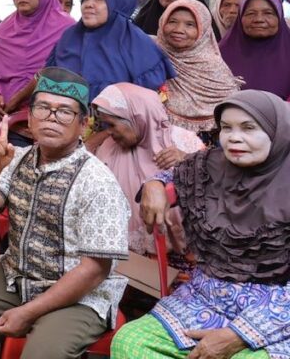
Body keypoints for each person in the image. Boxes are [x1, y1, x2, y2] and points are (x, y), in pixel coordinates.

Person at [0, 66, 130, 359]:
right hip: (18, 275)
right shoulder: (19, 159)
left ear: (83, 123)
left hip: (81, 295)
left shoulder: (98, 182)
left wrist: (28, 311)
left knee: (41, 354)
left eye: (64, 112)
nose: (51, 118)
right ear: (30, 115)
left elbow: (94, 271)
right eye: (43, 108)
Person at [113, 90, 290, 359]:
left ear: (277, 132)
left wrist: (240, 334)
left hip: (276, 311)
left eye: (249, 128)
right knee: (130, 343)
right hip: (206, 297)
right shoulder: (211, 165)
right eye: (226, 127)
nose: (234, 137)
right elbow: (175, 171)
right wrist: (154, 183)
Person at [88, 83, 202, 256]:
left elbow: (214, 186)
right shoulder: (108, 148)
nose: (109, 132)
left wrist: (187, 159)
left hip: (187, 256)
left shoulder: (181, 141)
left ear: (137, 118)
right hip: (133, 261)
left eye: (112, 125)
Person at [47, 0, 175, 102]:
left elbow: (149, 102)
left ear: (118, 3)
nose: (88, 4)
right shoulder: (69, 38)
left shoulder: (138, 45)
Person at [0, 0, 74, 143]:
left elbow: (60, 71)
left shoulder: (67, 27)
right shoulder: (5, 28)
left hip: (52, 119)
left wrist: (18, 98)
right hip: (10, 121)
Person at [156, 0, 242, 135]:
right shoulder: (151, 55)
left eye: (190, 24)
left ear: (203, 29)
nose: (178, 30)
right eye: (172, 22)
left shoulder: (213, 67)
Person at [219, 0, 290, 100]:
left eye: (268, 13)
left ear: (279, 17)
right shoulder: (219, 55)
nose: (259, 19)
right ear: (240, 18)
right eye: (251, 13)